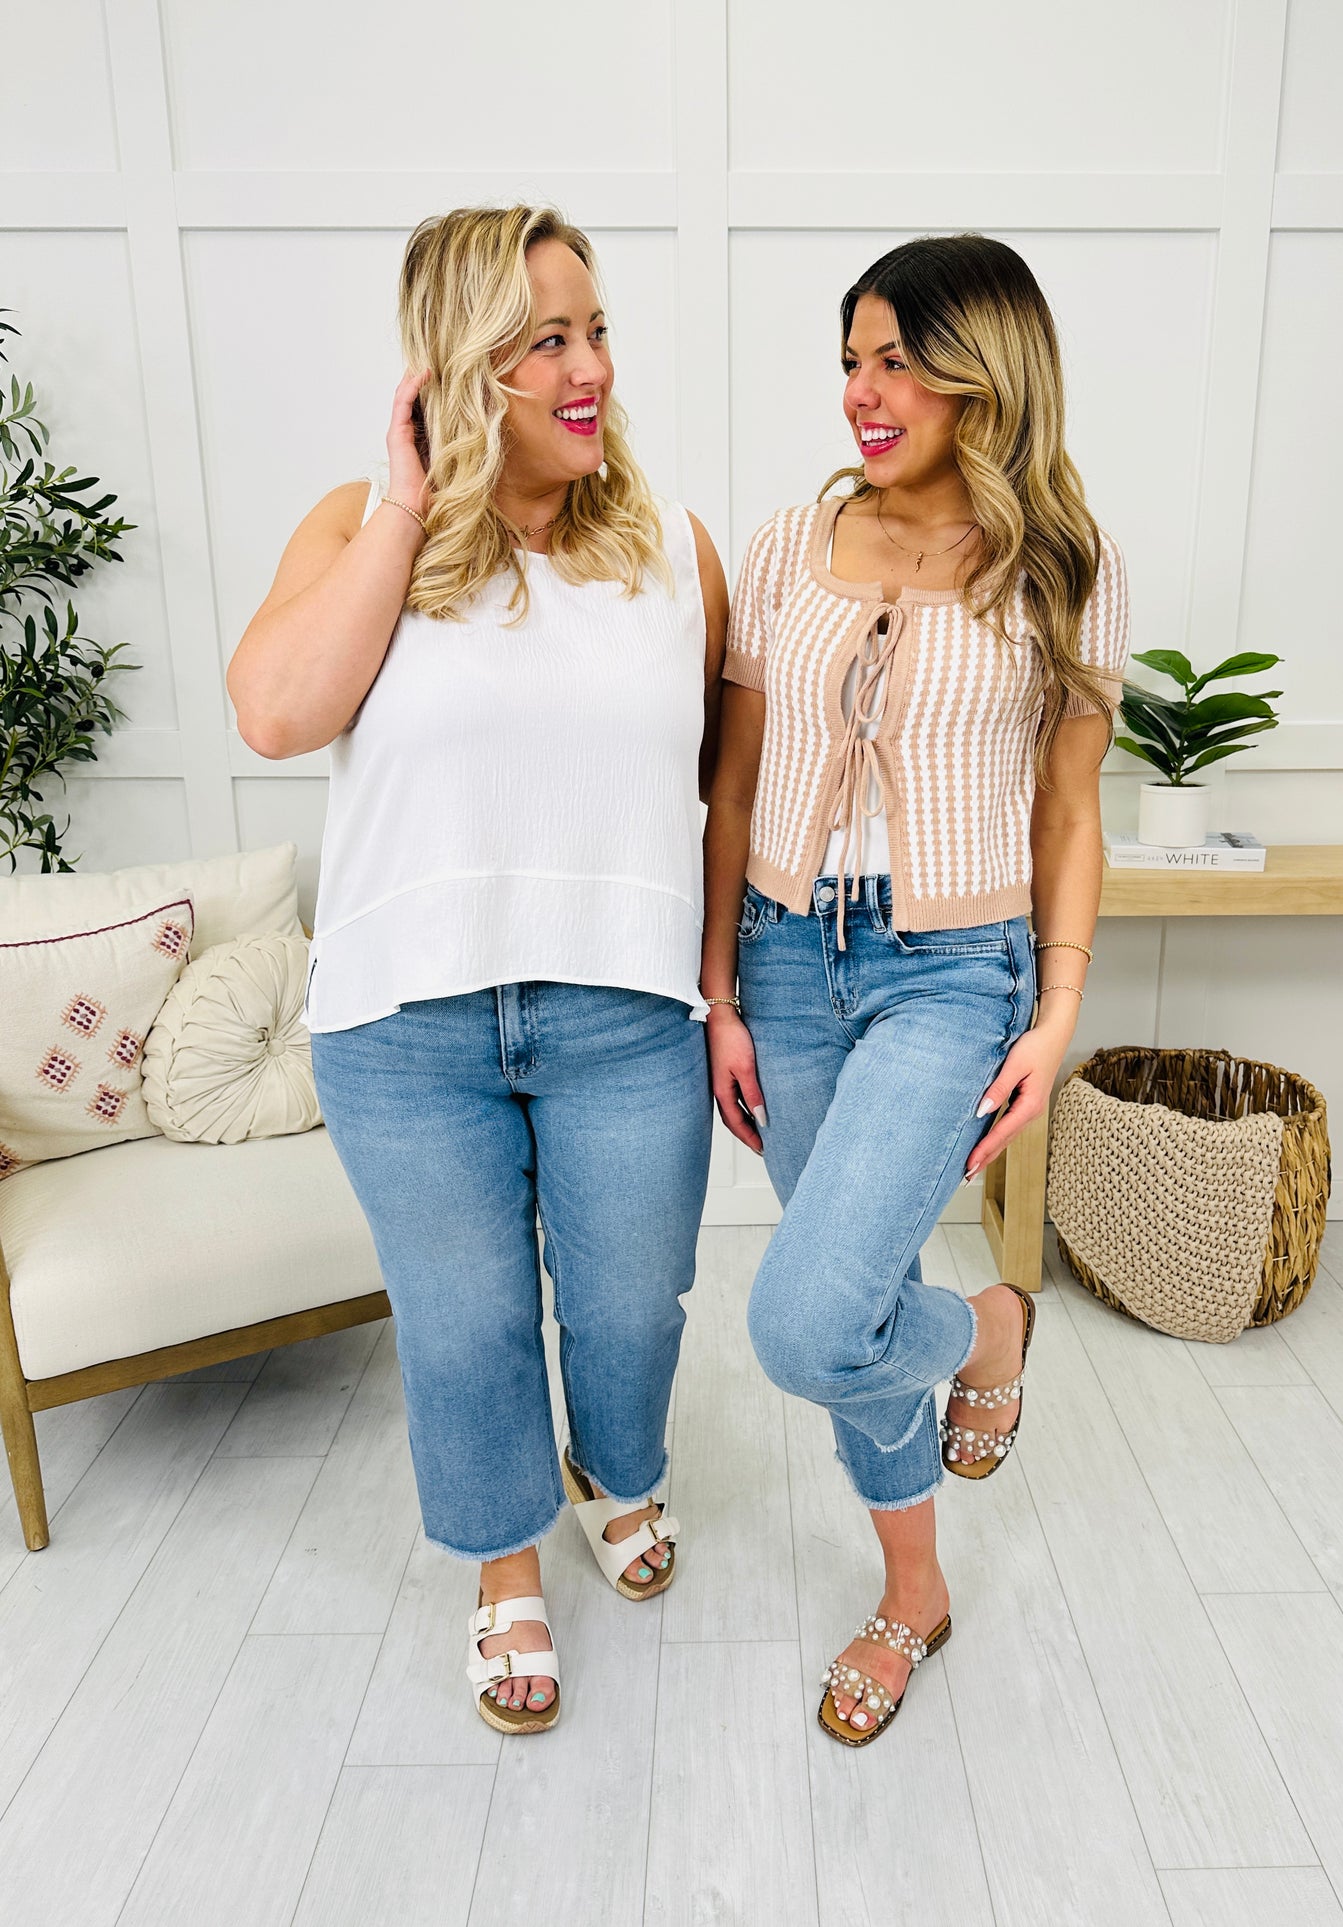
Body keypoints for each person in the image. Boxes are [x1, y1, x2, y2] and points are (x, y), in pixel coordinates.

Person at [228, 204, 727, 1735]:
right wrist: (404, 503)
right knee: (465, 1326)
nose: (591, 370)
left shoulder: (672, 551)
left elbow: (721, 789)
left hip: (626, 1008)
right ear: (460, 362)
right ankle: (506, 1563)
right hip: (406, 1020)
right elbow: (275, 714)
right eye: (544, 342)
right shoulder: (358, 528)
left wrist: (719, 989)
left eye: (596, 332)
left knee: (633, 1306)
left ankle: (610, 1472)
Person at [701, 233, 1128, 1745]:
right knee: (855, 1306)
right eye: (850, 361)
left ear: (982, 375)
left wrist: (1056, 1015)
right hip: (782, 959)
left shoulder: (1063, 566)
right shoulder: (784, 548)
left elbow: (1069, 811)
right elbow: (733, 784)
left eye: (895, 362)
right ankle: (916, 1585)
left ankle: (989, 1331)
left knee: (812, 1321)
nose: (860, 394)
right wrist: (719, 991)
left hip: (953, 972)